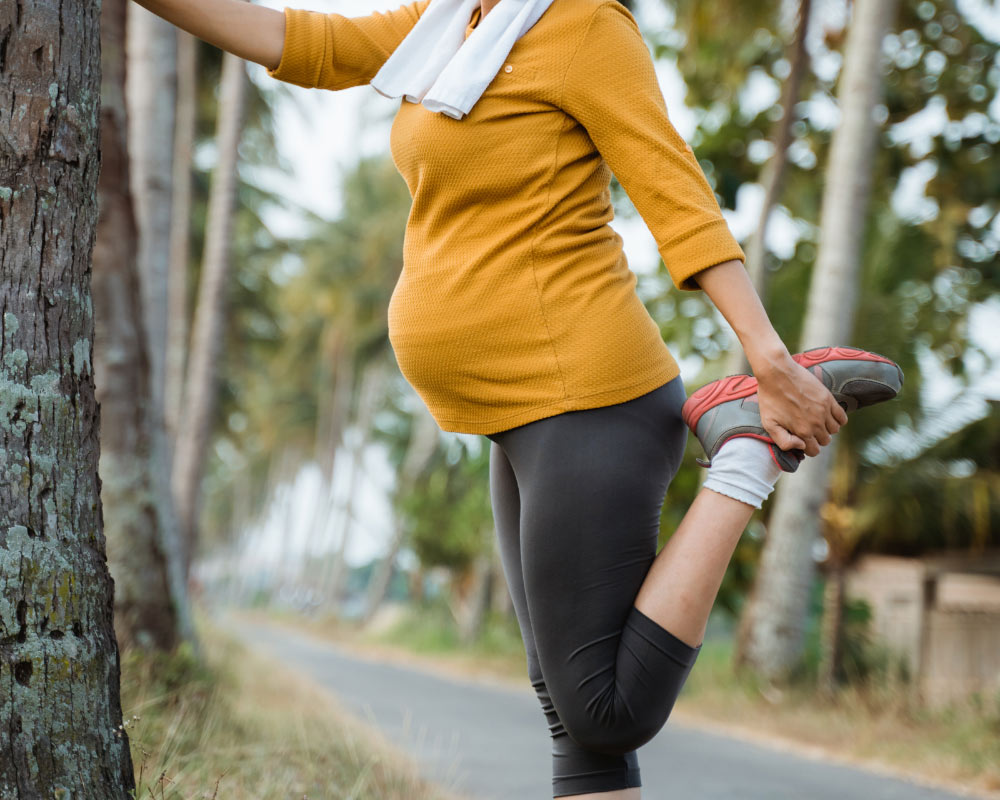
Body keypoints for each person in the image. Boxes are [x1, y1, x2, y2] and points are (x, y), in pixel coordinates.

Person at [130, 0, 903, 797]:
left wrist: (767, 356)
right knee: (574, 723)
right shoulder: (448, 25)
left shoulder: (585, 27)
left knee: (605, 711)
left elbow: (675, 195)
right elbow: (300, 41)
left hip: (587, 396)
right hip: (521, 415)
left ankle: (743, 453)